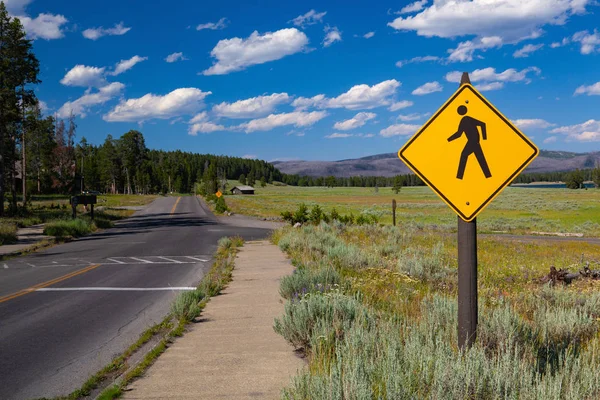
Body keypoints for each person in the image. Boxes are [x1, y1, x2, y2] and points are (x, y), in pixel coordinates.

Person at [447, 105, 492, 180]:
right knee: (480, 158)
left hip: (473, 142)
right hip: (473, 142)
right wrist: (448, 140)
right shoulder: (464, 120)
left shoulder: (467, 119)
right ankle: (488, 176)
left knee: (464, 155)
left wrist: (485, 138)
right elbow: (459, 134)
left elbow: (483, 124)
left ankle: (459, 177)